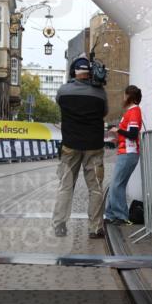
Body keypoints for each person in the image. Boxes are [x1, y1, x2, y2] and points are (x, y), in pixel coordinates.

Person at [52, 54, 108, 239]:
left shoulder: (63, 91)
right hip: (94, 146)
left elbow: (59, 102)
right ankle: (95, 228)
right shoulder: (100, 93)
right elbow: (105, 112)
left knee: (65, 186)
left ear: (73, 72)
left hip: (70, 146)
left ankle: (60, 225)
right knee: (96, 188)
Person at [104, 85, 143, 225]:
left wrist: (118, 130)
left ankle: (120, 216)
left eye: (125, 96)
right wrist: (117, 137)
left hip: (128, 153)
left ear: (129, 97)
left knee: (116, 184)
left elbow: (132, 134)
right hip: (125, 152)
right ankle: (111, 215)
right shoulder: (131, 112)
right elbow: (129, 134)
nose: (123, 98)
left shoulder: (134, 112)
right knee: (117, 185)